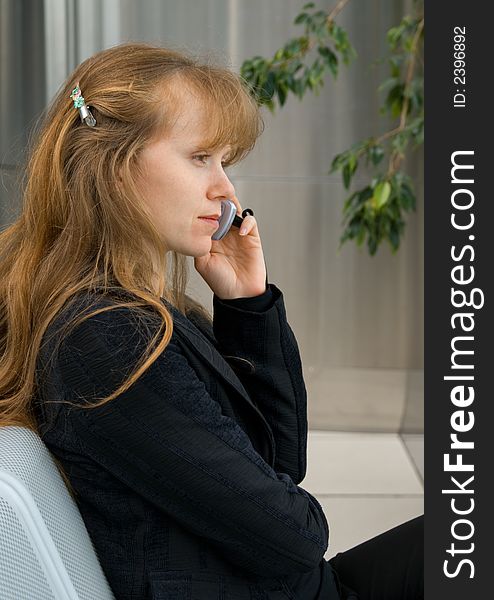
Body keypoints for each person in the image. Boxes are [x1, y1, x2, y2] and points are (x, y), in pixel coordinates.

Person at [0, 42, 423, 599]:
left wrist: (247, 304)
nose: (225, 189)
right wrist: (281, 502)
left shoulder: (136, 306)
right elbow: (296, 535)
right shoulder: (109, 337)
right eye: (201, 157)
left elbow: (281, 461)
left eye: (225, 162)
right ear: (113, 166)